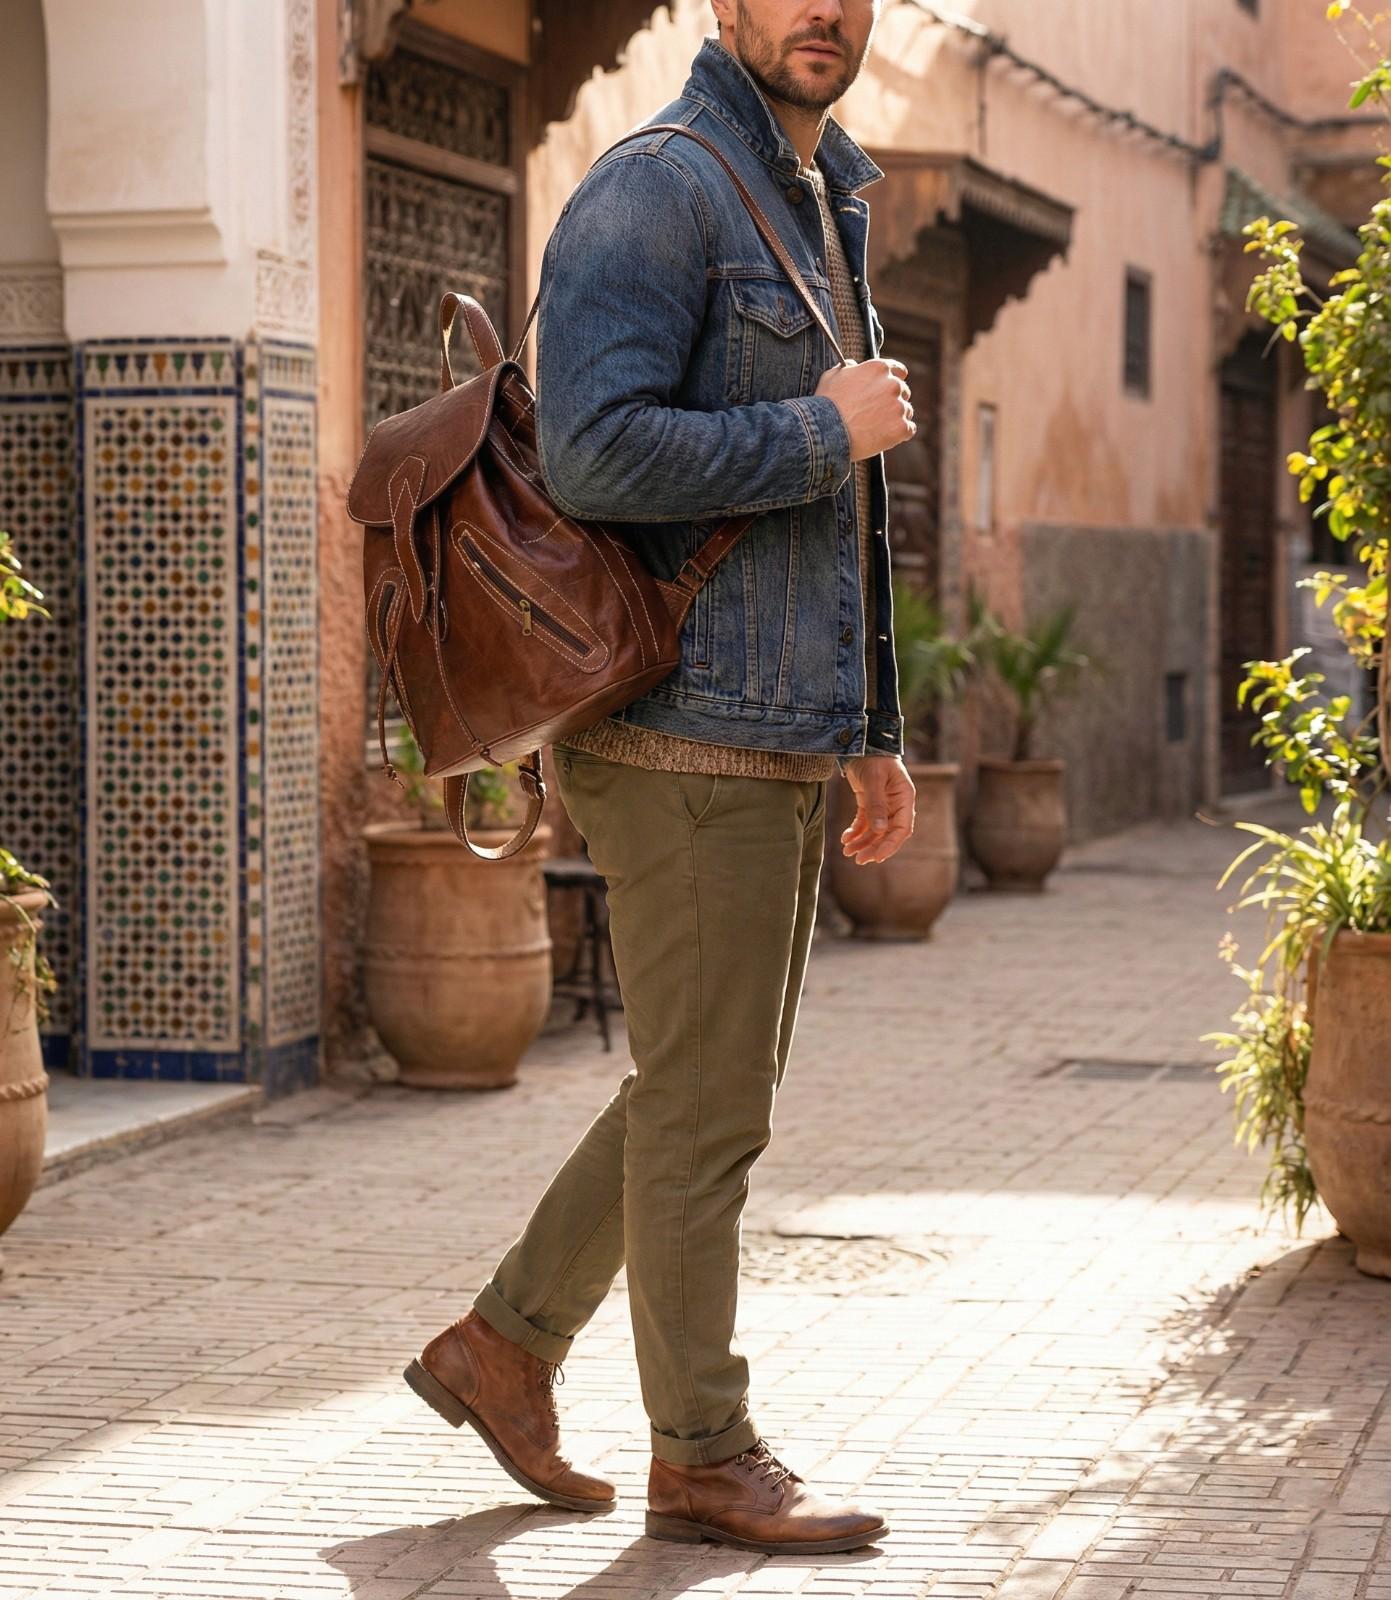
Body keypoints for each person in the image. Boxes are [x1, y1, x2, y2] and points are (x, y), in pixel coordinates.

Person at [405, 0, 916, 1556]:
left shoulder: (827, 194)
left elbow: (844, 507)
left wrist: (872, 723)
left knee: (698, 1098)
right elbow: (597, 454)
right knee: (708, 1116)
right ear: (725, 6)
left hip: (772, 727)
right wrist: (816, 430)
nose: (820, 8)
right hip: (673, 727)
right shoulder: (661, 183)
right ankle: (703, 1449)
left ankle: (503, 1348)